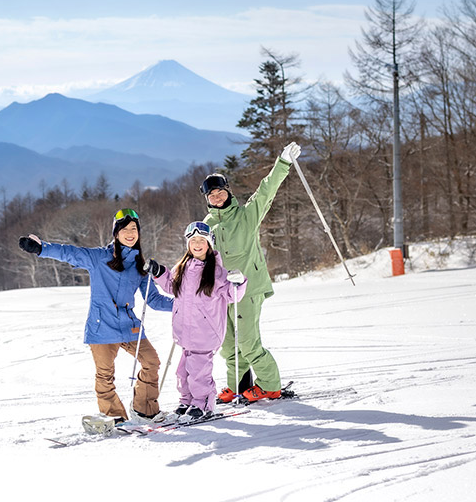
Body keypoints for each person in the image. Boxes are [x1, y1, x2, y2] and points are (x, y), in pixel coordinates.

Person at [18, 208, 173, 424]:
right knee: (105, 375)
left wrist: (184, 306)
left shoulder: (141, 266)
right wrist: (42, 248)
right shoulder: (98, 258)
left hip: (130, 326)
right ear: (115, 233)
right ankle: (114, 417)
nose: (130, 233)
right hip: (102, 327)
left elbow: (154, 300)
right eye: (125, 229)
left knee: (152, 362)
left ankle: (144, 409)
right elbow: (69, 253)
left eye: (134, 229)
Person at [201, 141, 301, 403]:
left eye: (220, 192)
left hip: (248, 288)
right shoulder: (207, 226)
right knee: (228, 345)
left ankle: (269, 385)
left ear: (227, 191)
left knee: (248, 342)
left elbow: (266, 191)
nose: (216, 197)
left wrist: (283, 162)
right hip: (223, 293)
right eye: (211, 195)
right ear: (207, 199)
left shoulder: (246, 215)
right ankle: (237, 386)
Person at [147, 221, 247, 422]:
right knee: (183, 371)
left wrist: (239, 282)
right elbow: (170, 286)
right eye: (193, 241)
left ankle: (203, 404)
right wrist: (159, 272)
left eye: (202, 240)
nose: (197, 244)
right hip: (185, 332)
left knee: (199, 373)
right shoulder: (181, 268)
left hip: (205, 333)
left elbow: (232, 295)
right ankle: (187, 400)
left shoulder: (217, 272)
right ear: (188, 245)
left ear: (209, 244)